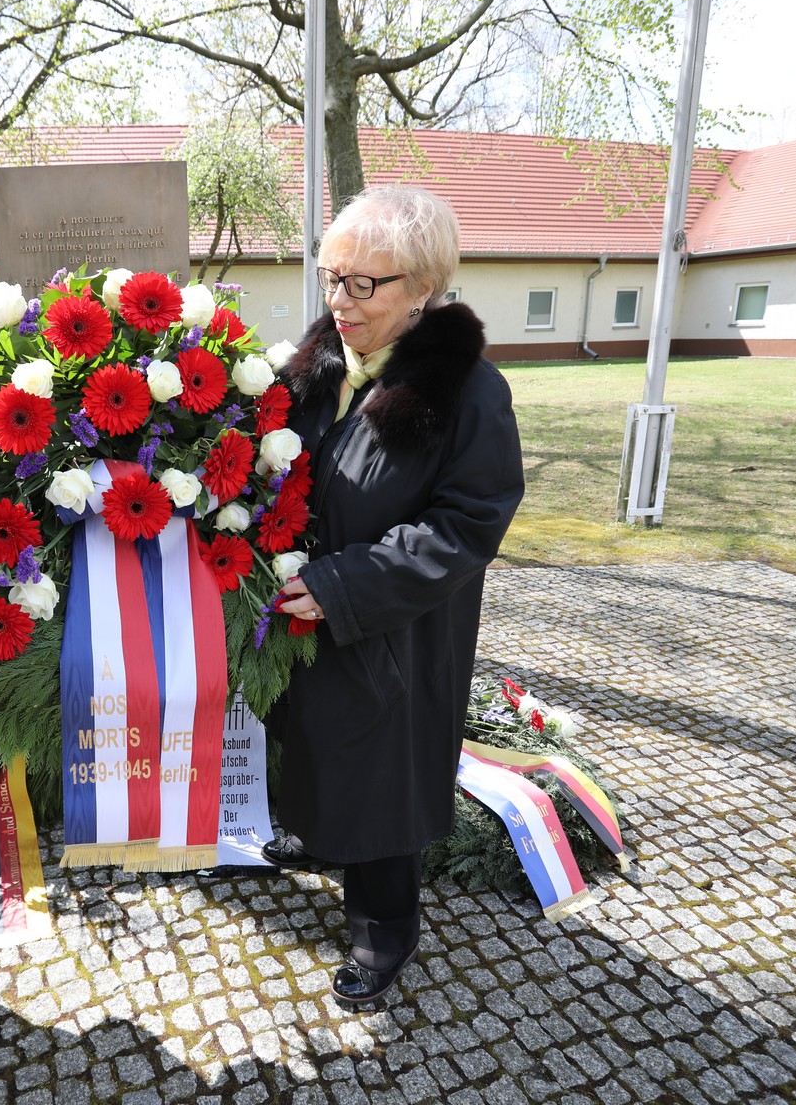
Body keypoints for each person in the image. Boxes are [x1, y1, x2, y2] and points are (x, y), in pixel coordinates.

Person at [263, 184, 524, 1006]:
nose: (339, 301)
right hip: (304, 615)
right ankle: (315, 836)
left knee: (381, 772)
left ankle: (385, 926)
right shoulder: (315, 370)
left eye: (362, 284)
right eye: (331, 278)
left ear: (422, 289)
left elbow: (468, 525)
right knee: (309, 742)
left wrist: (342, 585)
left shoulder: (467, 392)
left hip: (392, 633)